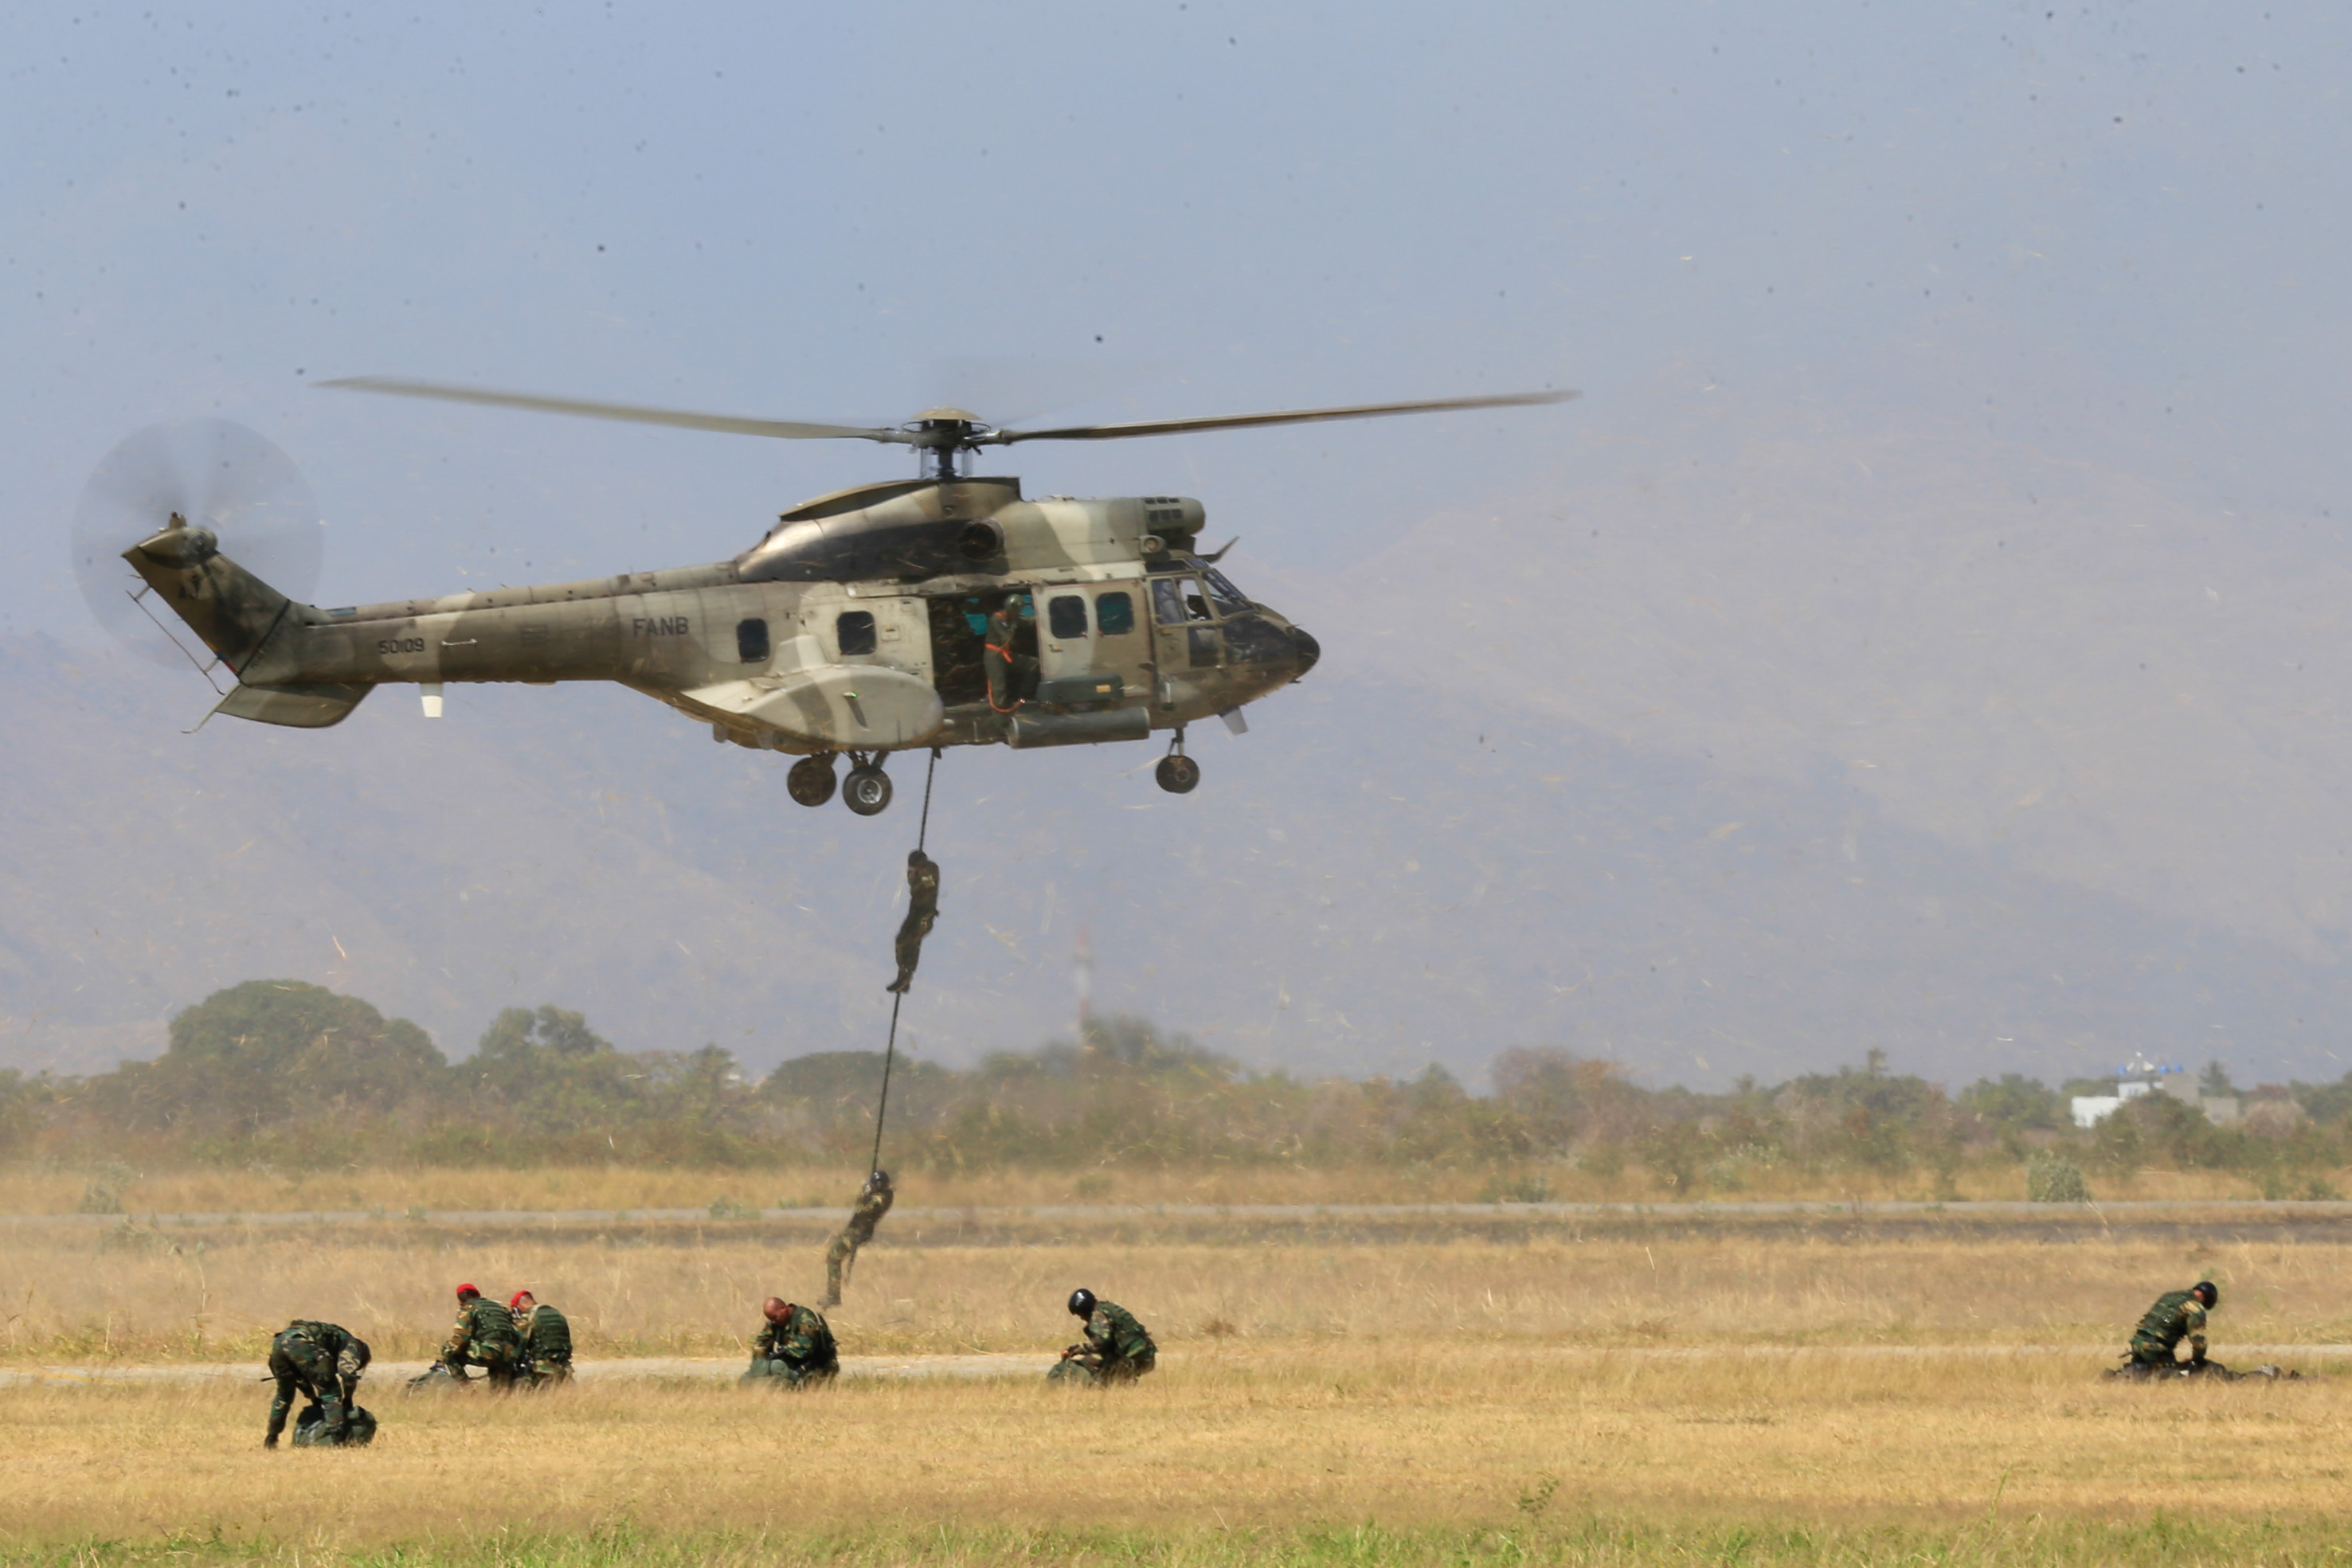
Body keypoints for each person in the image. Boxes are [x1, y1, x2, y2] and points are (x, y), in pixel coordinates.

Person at [264, 1319, 370, 1448]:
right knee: (331, 1392)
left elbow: (300, 1378)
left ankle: (271, 1438)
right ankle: (337, 1439)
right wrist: (348, 1397)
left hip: (279, 1344)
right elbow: (347, 1374)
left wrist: (313, 1397)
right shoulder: (353, 1345)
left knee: (284, 1395)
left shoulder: (335, 1337)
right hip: (302, 1342)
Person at [1047, 1288, 1156, 1386]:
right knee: (1097, 1362)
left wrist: (1077, 1350)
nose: (1081, 1318)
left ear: (1085, 1310)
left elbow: (1101, 1341)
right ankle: (1122, 1382)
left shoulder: (1098, 1315)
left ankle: (1099, 1386)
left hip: (1131, 1359)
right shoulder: (1108, 1309)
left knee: (1070, 1367)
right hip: (1146, 1358)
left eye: (1080, 1314)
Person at [823, 1169, 895, 1306]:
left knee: (833, 1258)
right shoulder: (884, 1195)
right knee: (833, 1255)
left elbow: (860, 1210)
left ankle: (833, 1296)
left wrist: (864, 1195)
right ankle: (832, 1295)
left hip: (858, 1232)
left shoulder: (878, 1200)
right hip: (856, 1231)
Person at [441, 1282, 525, 1389]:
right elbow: (516, 1331)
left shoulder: (469, 1308)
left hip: (490, 1352)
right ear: (478, 1295)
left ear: (460, 1302)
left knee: (448, 1351)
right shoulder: (500, 1308)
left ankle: (468, 1390)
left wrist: (447, 1355)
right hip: (510, 1354)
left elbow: (461, 1338)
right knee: (500, 1390)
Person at [742, 1296, 839, 1386]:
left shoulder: (806, 1319)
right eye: (771, 1319)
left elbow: (804, 1348)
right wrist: (761, 1367)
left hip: (819, 1366)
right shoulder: (776, 1323)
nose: (774, 1322)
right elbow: (760, 1344)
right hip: (794, 1366)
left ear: (783, 1308)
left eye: (775, 1317)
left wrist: (783, 1351)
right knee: (753, 1381)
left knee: (784, 1385)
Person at [2128, 1281, 2219, 1371]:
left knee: (2137, 1374)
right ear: (2207, 1299)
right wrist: (2198, 1360)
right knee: (2174, 1376)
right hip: (2156, 1348)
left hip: (2137, 1342)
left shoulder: (2169, 1296)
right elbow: (2198, 1340)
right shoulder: (2195, 1307)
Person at [885, 852, 940, 995]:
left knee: (912, 941)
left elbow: (930, 885)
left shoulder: (931, 869)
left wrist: (920, 873)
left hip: (924, 915)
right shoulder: (915, 873)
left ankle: (906, 977)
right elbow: (913, 885)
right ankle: (903, 975)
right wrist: (914, 874)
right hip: (914, 913)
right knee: (902, 941)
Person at [510, 1289, 573, 1386]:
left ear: (519, 1306)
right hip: (565, 1368)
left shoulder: (529, 1317)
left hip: (543, 1369)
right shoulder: (556, 1313)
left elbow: (520, 1346)